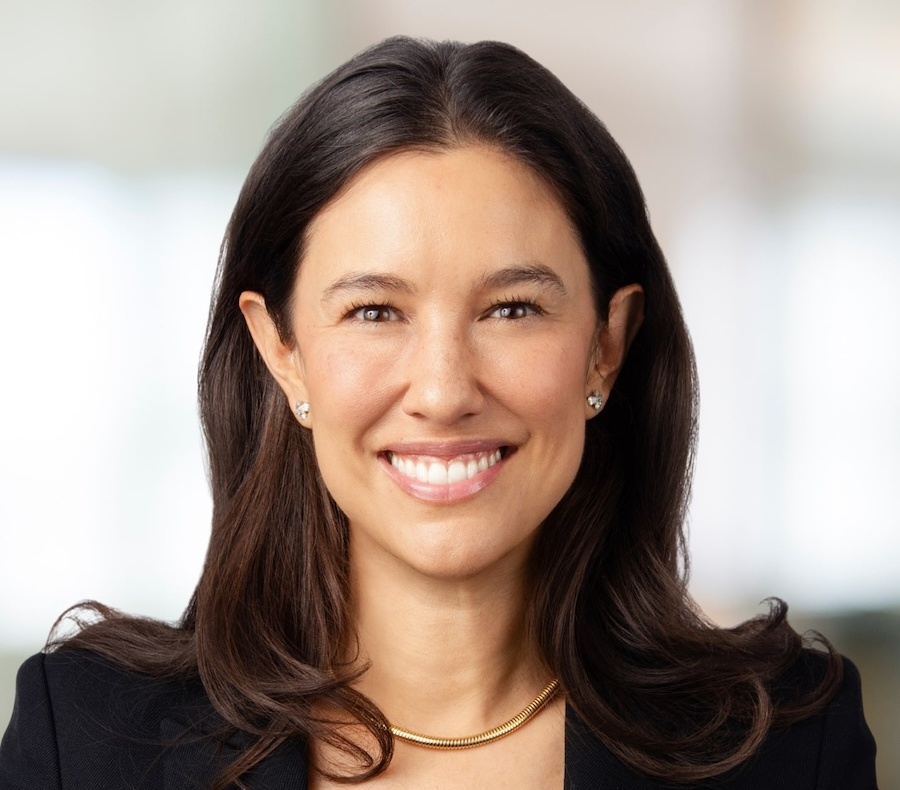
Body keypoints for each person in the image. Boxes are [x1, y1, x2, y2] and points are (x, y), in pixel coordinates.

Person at [0, 36, 877, 789]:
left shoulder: (785, 748)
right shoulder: (87, 742)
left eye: (512, 309)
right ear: (282, 350)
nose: (445, 389)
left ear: (607, 344)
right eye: (375, 312)